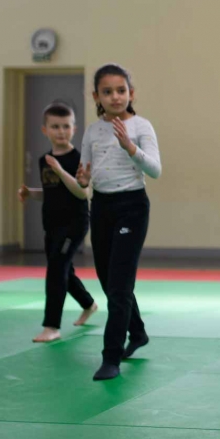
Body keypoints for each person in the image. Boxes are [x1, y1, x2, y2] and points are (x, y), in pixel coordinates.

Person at [77, 64, 161, 381]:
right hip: (101, 207)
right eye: (108, 91)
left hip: (132, 206)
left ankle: (111, 357)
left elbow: (155, 170)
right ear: (96, 95)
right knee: (108, 280)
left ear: (131, 93)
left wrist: (131, 147)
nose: (115, 97)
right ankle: (137, 332)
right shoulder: (92, 130)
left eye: (121, 90)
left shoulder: (141, 126)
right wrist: (82, 177)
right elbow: (85, 175)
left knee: (119, 286)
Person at [18, 102, 97, 343]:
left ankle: (51, 326)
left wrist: (62, 170)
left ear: (74, 128)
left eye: (66, 126)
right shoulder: (44, 160)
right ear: (45, 130)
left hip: (74, 224)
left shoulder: (79, 159)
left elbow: (83, 193)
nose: (61, 131)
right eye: (55, 127)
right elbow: (52, 191)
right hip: (51, 224)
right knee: (63, 269)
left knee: (56, 270)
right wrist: (31, 192)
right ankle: (88, 303)